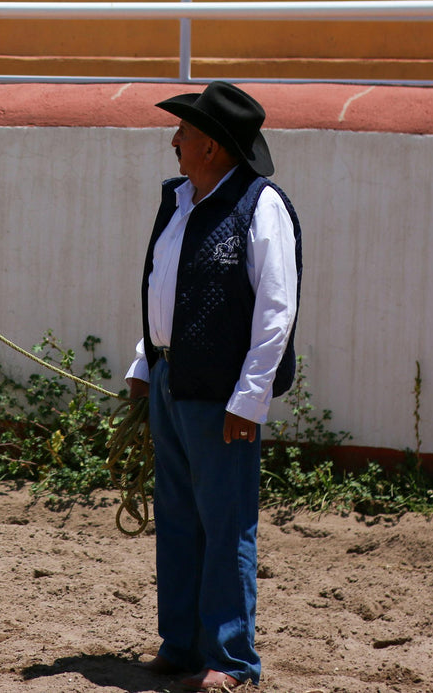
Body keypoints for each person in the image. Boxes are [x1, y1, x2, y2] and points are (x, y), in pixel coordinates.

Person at [125, 81, 302, 691]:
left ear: (214, 148)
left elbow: (276, 311)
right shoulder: (179, 201)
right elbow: (162, 291)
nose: (174, 139)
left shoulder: (261, 205)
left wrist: (251, 398)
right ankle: (181, 642)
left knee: (224, 523)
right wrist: (145, 366)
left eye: (186, 132)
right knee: (176, 515)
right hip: (173, 380)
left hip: (224, 395)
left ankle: (230, 658)